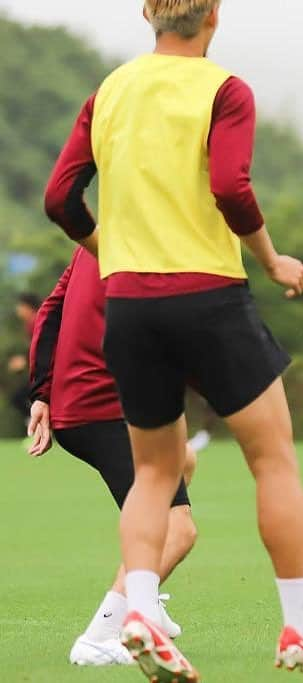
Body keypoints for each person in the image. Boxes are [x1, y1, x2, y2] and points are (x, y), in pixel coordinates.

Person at [43, 1, 303, 678]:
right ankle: (300, 628)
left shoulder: (109, 92)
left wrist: (114, 249)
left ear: (148, 13)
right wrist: (272, 260)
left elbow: (60, 198)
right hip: (207, 296)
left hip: (129, 307)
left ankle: (143, 612)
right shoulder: (225, 90)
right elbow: (230, 186)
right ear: (213, 14)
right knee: (273, 459)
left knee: (154, 471)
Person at [27, 246, 198, 666]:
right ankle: (103, 634)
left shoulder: (98, 234)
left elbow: (52, 308)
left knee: (184, 461)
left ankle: (146, 596)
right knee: (179, 529)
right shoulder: (149, 236)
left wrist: (42, 393)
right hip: (104, 410)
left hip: (78, 405)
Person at [8, 293, 40, 420]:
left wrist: (24, 362)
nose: (18, 310)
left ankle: (38, 424)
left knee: (19, 398)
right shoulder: (29, 324)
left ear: (28, 307)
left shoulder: (37, 321)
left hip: (49, 374)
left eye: (20, 306)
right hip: (41, 373)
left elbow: (41, 348)